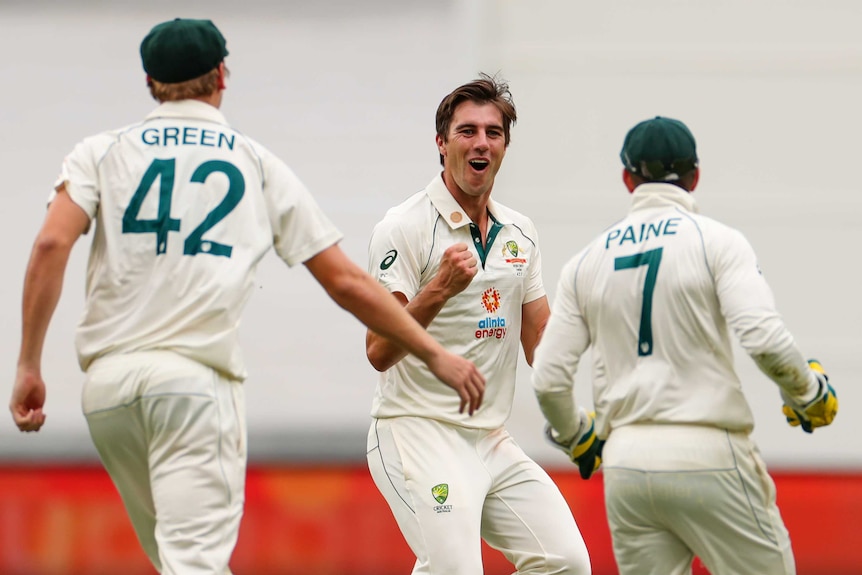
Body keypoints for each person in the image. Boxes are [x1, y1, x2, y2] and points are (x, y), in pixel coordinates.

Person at [8, 18, 485, 575]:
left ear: (149, 80)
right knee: (196, 564)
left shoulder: (100, 151)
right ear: (221, 76)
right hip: (192, 389)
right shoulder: (254, 161)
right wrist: (434, 352)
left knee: (174, 560)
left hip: (108, 392)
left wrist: (28, 364)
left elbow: (49, 244)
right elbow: (347, 282)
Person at [531, 116, 839, 575]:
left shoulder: (585, 262)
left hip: (626, 463)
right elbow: (764, 340)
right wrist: (808, 392)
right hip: (709, 452)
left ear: (627, 179)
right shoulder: (718, 241)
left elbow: (548, 381)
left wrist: (578, 437)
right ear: (695, 176)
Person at [364, 73, 591, 575]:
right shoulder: (404, 226)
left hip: (489, 435)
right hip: (415, 429)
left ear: (505, 146)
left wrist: (595, 335)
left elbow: (541, 346)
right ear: (441, 142)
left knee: (567, 562)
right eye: (467, 131)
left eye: (493, 132)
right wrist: (439, 288)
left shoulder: (519, 232)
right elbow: (379, 349)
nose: (480, 142)